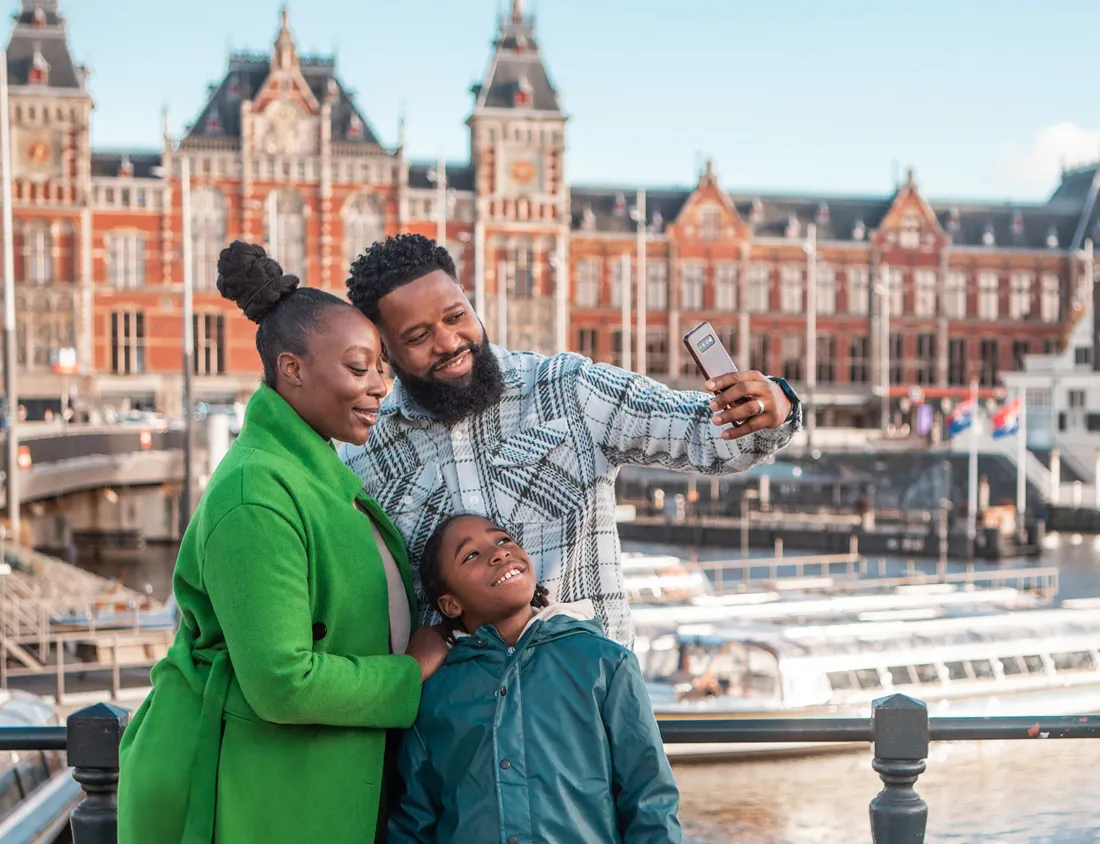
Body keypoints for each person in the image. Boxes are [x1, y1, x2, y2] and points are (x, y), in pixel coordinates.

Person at [118, 242, 448, 844]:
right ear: (292, 369)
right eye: (358, 368)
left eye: (381, 368)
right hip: (264, 795)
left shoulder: (306, 469)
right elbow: (282, 682)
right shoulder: (256, 494)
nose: (380, 386)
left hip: (314, 783)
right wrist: (410, 671)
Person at [341, 234, 802, 643]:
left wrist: (771, 405)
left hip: (589, 697)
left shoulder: (568, 388)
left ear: (468, 299)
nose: (448, 342)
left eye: (455, 316)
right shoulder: (364, 452)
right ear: (385, 350)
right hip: (461, 709)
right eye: (418, 336)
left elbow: (707, 435)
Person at [391, 513, 681, 843]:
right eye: (471, 555)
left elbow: (650, 800)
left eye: (503, 540)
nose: (499, 553)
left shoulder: (605, 664)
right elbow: (414, 821)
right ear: (450, 604)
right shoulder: (435, 693)